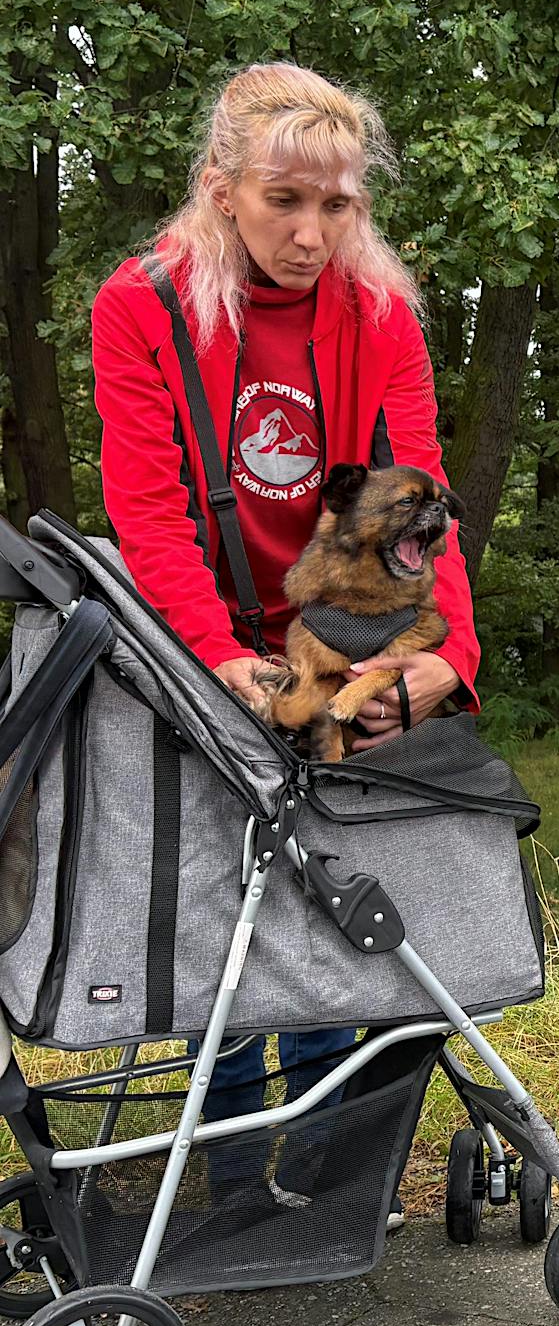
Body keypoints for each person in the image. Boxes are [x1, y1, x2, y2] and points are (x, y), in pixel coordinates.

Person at [90, 61, 480, 1222]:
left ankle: (314, 1173)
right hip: (201, 635)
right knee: (221, 891)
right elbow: (149, 518)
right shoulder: (141, 306)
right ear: (221, 189)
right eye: (283, 202)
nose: (313, 234)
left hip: (343, 626)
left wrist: (442, 655)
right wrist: (223, 663)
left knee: (325, 884)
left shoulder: (378, 311)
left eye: (338, 206)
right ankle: (224, 1177)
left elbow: (425, 505)